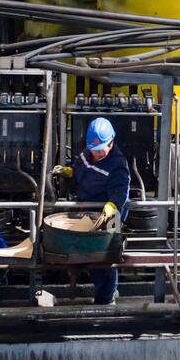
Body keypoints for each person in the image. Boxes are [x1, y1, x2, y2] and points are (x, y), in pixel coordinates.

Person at [53, 117, 130, 305]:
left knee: (105, 257)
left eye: (99, 150)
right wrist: (70, 171)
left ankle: (105, 301)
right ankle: (108, 290)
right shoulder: (88, 153)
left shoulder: (117, 165)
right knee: (91, 256)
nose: (95, 154)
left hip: (109, 215)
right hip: (88, 211)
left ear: (111, 143)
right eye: (92, 150)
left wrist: (112, 205)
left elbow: (120, 191)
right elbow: (81, 167)